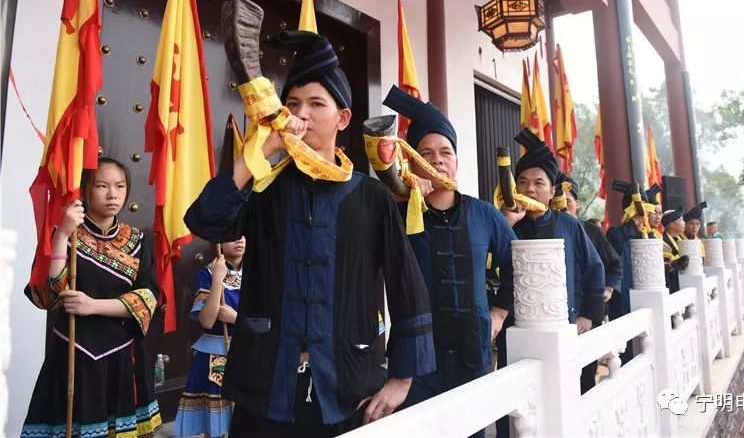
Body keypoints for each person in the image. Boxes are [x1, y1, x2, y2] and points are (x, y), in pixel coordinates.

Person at [184, 30, 434, 437]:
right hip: (265, 385)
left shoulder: (371, 196)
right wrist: (259, 152)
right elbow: (205, 221)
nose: (303, 115)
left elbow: (407, 287)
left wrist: (402, 378)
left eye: (317, 104)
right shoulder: (264, 189)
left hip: (347, 388)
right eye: (293, 105)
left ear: (343, 118)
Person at [381, 87, 515, 437]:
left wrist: (499, 313)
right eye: (426, 153)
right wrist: (402, 197)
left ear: (456, 161)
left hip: (474, 354)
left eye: (446, 152)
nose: (438, 160)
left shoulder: (484, 215)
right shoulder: (395, 215)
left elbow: (519, 263)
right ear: (411, 161)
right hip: (416, 361)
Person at [22, 158, 161, 437]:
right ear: (85, 189)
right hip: (74, 350)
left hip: (123, 354)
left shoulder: (138, 239)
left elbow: (147, 298)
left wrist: (93, 305)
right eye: (102, 186)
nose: (113, 194)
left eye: (120, 186)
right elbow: (50, 295)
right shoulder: (66, 236)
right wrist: (61, 234)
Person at [499, 130, 605, 398]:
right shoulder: (504, 222)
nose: (530, 189)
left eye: (538, 183)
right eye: (522, 182)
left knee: (561, 394)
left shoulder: (568, 224)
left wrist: (587, 316)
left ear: (552, 191)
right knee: (517, 400)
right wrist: (505, 224)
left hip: (562, 324)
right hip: (515, 328)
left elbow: (595, 268)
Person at [552, 173, 622, 391]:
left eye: (568, 203)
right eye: (558, 203)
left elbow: (613, 264)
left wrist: (609, 288)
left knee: (585, 374)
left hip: (587, 312)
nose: (563, 208)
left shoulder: (590, 230)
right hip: (556, 314)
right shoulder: (547, 229)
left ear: (577, 204)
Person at [173, 238, 246, 437]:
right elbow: (206, 320)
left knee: (246, 419)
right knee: (215, 424)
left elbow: (268, 319)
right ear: (219, 243)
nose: (239, 240)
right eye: (232, 236)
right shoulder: (208, 273)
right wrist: (217, 281)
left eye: (243, 234)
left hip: (248, 350)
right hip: (214, 353)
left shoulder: (257, 273)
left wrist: (236, 318)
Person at [605, 180, 657, 364]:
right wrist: (632, 225)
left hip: (646, 297)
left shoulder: (648, 236)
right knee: (627, 350)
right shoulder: (615, 234)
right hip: (623, 300)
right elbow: (615, 247)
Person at [661, 209, 690, 293]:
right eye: (681, 220)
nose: (684, 223)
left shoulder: (681, 238)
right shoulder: (663, 241)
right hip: (672, 283)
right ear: (671, 224)